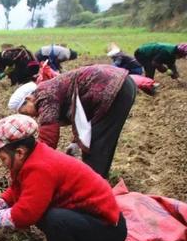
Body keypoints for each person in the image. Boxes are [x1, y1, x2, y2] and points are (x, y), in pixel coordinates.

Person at [0, 114, 127, 241]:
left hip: (107, 233)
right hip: (90, 220)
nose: (2, 164)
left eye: (2, 158)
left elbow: (25, 214)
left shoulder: (40, 168)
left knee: (52, 218)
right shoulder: (32, 158)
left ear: (19, 152)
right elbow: (18, 190)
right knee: (47, 213)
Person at [8, 65, 136, 179]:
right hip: (123, 84)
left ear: (29, 98)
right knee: (102, 141)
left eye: (25, 112)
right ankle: (100, 179)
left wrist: (33, 162)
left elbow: (48, 136)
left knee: (96, 143)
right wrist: (75, 142)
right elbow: (81, 116)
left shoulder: (44, 96)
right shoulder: (49, 90)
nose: (32, 117)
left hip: (114, 87)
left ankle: (92, 185)